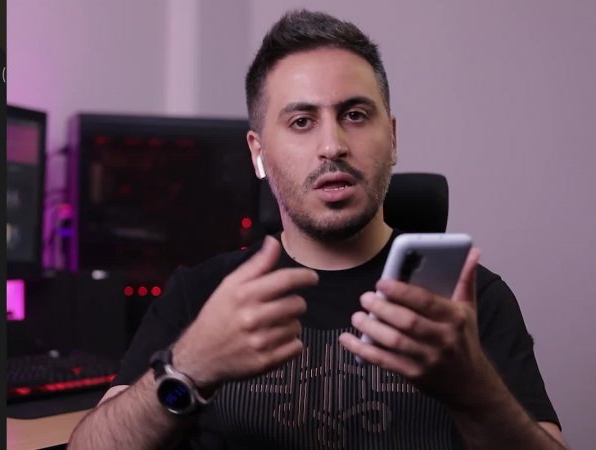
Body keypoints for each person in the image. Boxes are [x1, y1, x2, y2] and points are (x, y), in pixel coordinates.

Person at [68, 10, 566, 450]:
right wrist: (187, 368)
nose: (332, 145)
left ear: (392, 138)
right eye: (302, 121)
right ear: (258, 153)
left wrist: (473, 389)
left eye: (355, 115)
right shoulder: (199, 294)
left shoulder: (467, 301)